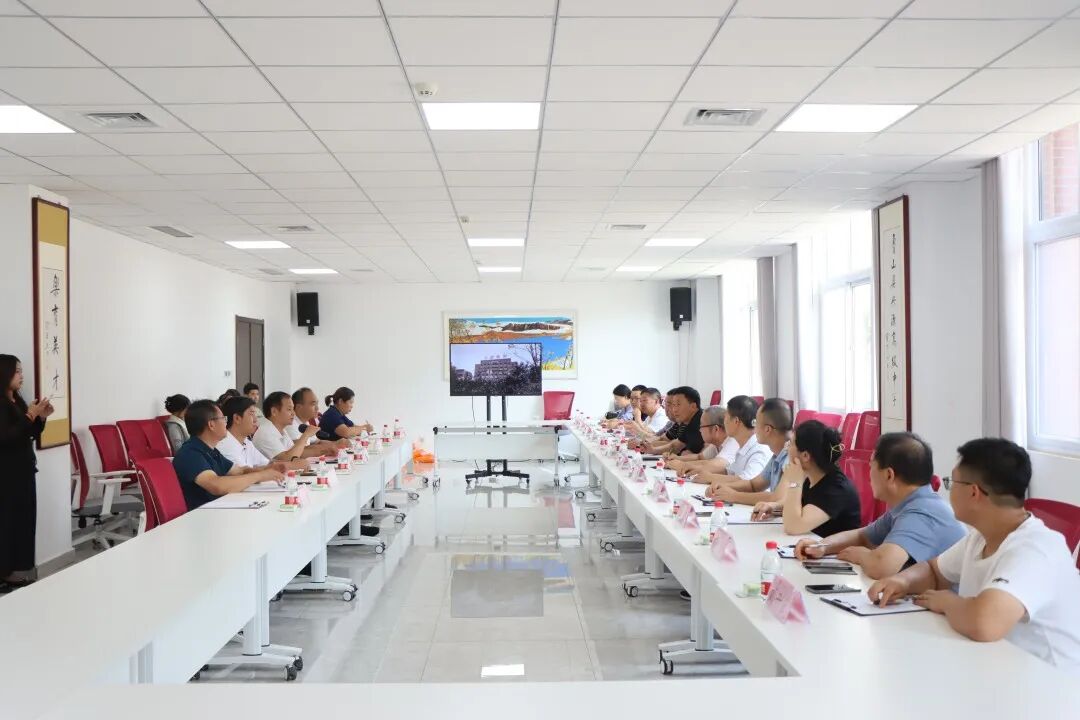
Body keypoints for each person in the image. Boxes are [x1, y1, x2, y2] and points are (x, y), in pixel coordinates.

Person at [868, 439, 1080, 669]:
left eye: (952, 482)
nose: (949, 490)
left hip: (1050, 682)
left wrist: (947, 602)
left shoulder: (1036, 548)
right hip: (995, 666)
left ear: (973, 492)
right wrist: (902, 581)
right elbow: (934, 571)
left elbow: (985, 623)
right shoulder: (980, 537)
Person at [796, 432, 965, 579]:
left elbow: (882, 566)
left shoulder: (922, 513)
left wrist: (862, 555)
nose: (869, 474)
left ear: (889, 475)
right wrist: (822, 546)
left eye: (871, 466)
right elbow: (863, 536)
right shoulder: (908, 504)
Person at [751, 419, 860, 536]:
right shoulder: (812, 476)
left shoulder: (836, 488)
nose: (786, 448)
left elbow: (792, 527)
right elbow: (802, 506)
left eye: (790, 444)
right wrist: (774, 507)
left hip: (833, 547)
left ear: (805, 456)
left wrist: (795, 482)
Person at [172, 399, 285, 511]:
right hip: (203, 515)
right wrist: (260, 476)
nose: (226, 422)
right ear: (211, 425)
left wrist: (268, 469)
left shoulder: (211, 451)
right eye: (223, 418)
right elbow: (216, 485)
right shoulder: (191, 453)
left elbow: (240, 471)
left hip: (219, 509)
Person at [0, 355, 53, 592]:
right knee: (7, 524)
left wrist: (41, 417)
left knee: (23, 522)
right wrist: (30, 415)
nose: (21, 376)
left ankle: (13, 572)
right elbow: (6, 437)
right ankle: (4, 573)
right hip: (7, 475)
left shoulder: (17, 400)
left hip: (23, 471)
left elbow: (29, 432)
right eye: (17, 371)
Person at [708, 397, 792, 507]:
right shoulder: (777, 455)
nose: (753, 427)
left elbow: (776, 498)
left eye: (756, 422)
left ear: (767, 429)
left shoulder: (791, 456)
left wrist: (734, 495)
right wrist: (723, 487)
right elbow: (753, 485)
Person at [693, 396, 772, 484]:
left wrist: (711, 477)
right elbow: (730, 471)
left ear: (736, 421)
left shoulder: (759, 449)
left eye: (726, 417)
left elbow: (749, 480)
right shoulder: (743, 445)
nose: (723, 422)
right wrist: (700, 471)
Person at [254, 391, 342, 461]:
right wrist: (306, 435)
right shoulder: (265, 432)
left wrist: (326, 450)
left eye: (293, 409)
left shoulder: (281, 430)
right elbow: (288, 458)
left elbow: (298, 452)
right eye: (289, 409)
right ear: (274, 412)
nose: (293, 413)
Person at [667, 406, 738, 479]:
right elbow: (699, 457)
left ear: (716, 429)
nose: (699, 430)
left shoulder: (733, 442)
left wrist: (683, 465)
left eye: (701, 426)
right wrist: (678, 458)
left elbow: (718, 465)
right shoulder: (717, 443)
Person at [646, 386, 704, 456]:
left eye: (678, 404)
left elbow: (701, 455)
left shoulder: (702, 421)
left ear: (693, 406)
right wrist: (652, 450)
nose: (674, 410)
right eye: (673, 405)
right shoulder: (687, 422)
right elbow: (676, 445)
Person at [217, 396, 271, 469]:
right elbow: (244, 473)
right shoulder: (225, 446)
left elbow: (267, 464)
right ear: (237, 418)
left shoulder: (246, 442)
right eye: (251, 414)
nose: (255, 419)